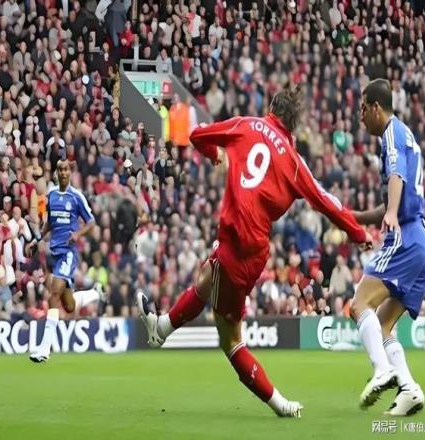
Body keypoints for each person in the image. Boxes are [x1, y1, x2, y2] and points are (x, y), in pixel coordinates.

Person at [137, 85, 372, 418]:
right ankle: (160, 328)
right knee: (206, 276)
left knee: (230, 341)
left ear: (271, 108)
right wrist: (358, 232)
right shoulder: (294, 162)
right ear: (293, 125)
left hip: (236, 249)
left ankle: (281, 404)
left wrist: (215, 155)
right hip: (254, 250)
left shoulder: (246, 125)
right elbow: (327, 202)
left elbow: (197, 135)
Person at [351, 79, 425, 415]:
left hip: (406, 234)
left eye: (362, 109)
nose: (360, 116)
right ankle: (409, 389)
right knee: (383, 324)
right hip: (421, 242)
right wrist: (356, 217)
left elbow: (396, 176)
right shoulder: (405, 134)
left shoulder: (392, 134)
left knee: (359, 304)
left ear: (376, 108)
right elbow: (390, 199)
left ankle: (382, 370)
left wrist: (393, 213)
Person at [29, 160, 102, 363]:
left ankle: (44, 348)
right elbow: (49, 223)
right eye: (60, 169)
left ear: (70, 173)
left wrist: (78, 234)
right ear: (56, 173)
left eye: (66, 169)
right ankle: (96, 293)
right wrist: (37, 240)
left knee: (53, 293)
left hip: (68, 253)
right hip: (55, 252)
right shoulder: (52, 195)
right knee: (69, 305)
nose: (63, 173)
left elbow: (92, 222)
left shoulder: (76, 196)